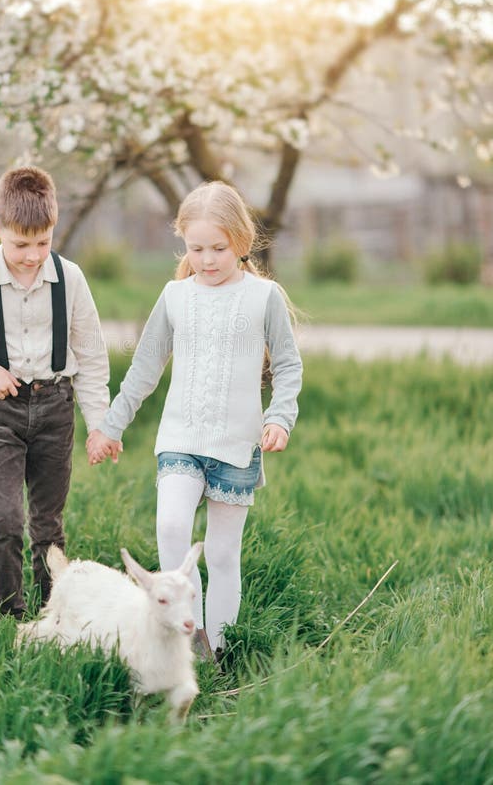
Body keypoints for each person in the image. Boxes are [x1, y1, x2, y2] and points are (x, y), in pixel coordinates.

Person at [86, 180, 302, 661]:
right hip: (180, 439)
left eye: (218, 249)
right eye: (196, 248)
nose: (207, 259)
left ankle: (218, 651)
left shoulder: (263, 298)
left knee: (223, 555)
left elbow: (288, 365)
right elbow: (144, 369)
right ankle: (187, 638)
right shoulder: (175, 296)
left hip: (236, 446)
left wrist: (280, 417)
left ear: (241, 243)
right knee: (171, 526)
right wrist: (110, 426)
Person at [0, 166, 110, 620]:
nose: (33, 256)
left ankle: (52, 614)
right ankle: (7, 616)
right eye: (20, 244)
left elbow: (90, 355)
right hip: (1, 412)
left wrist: (99, 424)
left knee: (48, 524)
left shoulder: (70, 279)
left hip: (56, 408)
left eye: (43, 242)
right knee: (6, 520)